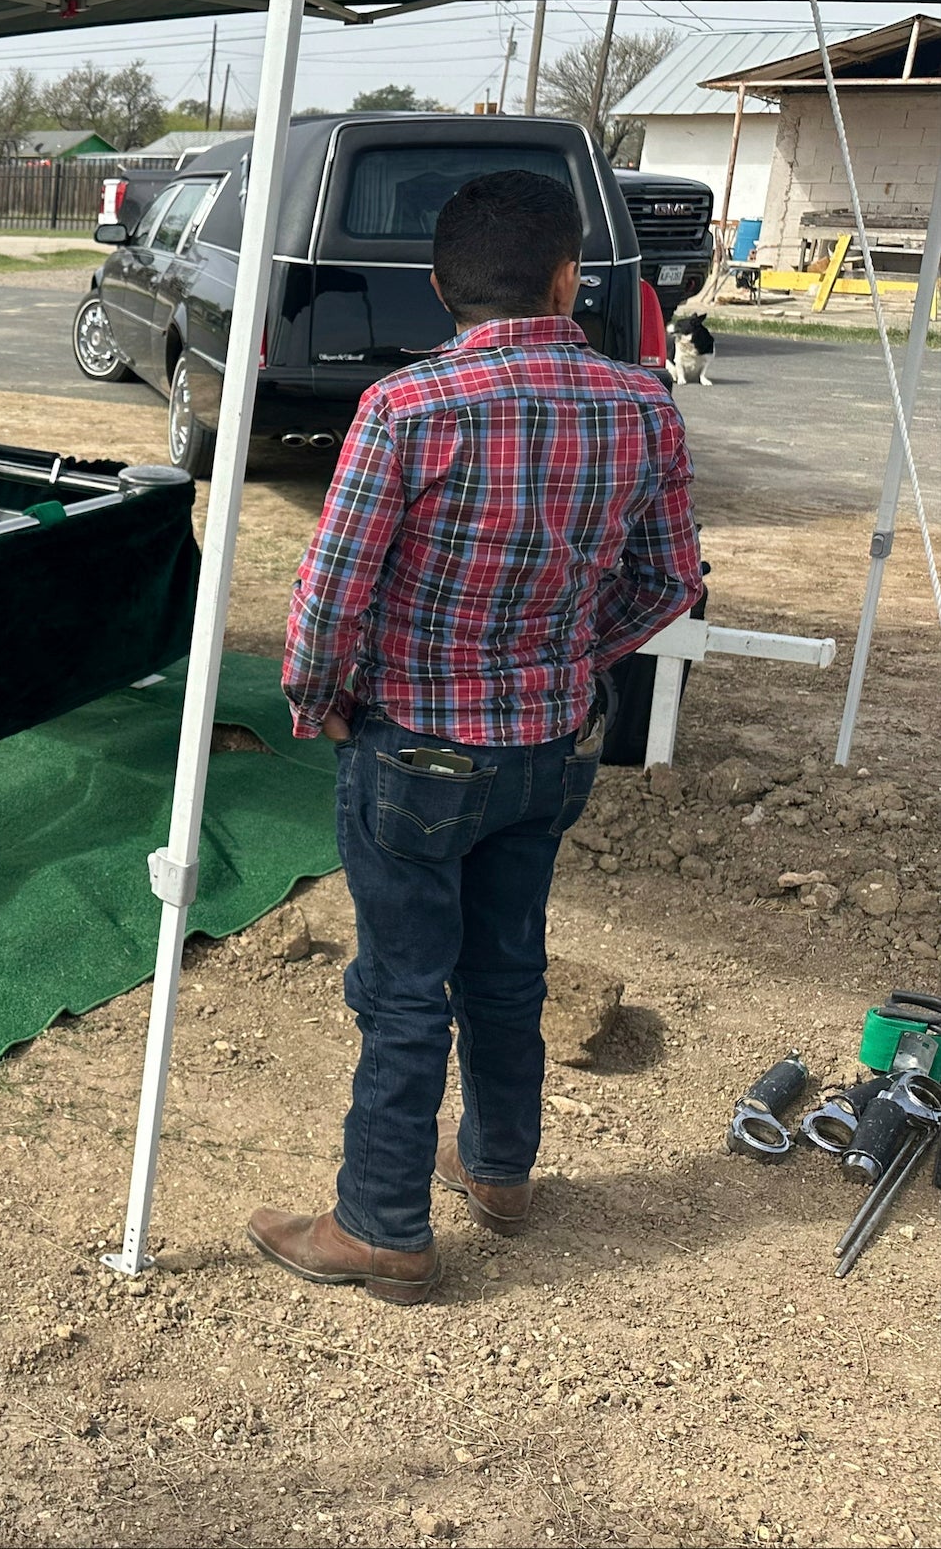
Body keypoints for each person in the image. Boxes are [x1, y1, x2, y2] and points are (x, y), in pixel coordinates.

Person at [251, 170, 702, 1304]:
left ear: (438, 288)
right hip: (548, 744)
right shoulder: (641, 402)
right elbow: (668, 578)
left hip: (416, 743)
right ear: (565, 279)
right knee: (506, 962)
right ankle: (497, 1169)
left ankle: (384, 1224)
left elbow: (326, 598)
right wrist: (570, 654)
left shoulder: (406, 408)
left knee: (405, 984)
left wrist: (320, 703)